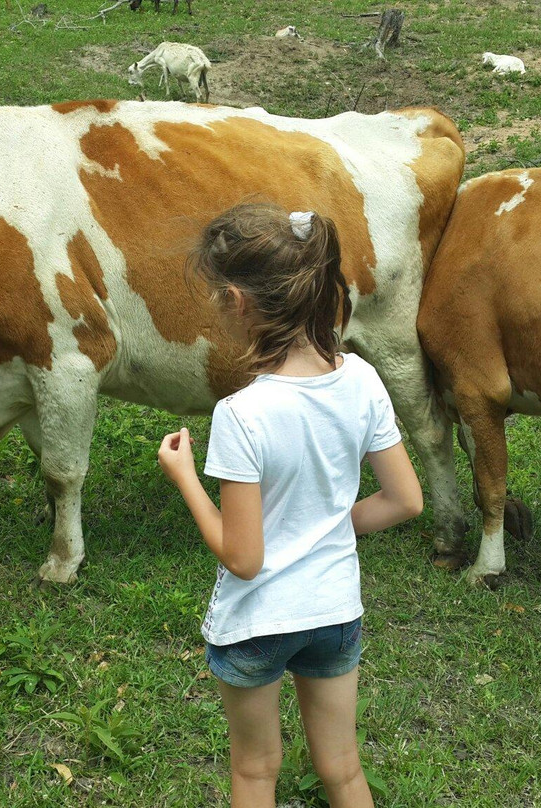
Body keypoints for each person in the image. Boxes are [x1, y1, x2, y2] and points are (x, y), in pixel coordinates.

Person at [158, 203, 424, 808]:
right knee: (343, 769)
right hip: (334, 614)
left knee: (255, 773)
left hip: (258, 623)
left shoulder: (241, 415)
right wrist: (328, 527)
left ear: (238, 300)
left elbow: (244, 560)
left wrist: (185, 480)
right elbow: (406, 500)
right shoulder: (361, 380)